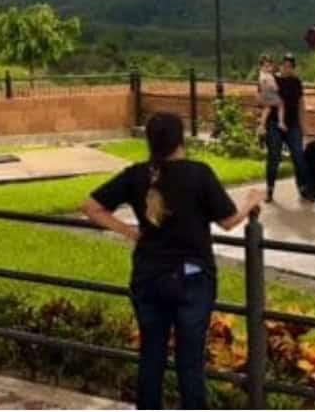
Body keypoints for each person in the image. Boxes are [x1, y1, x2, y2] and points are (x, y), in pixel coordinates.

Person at [82, 113, 263, 409]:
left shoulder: (136, 174)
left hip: (149, 277)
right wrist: (251, 201)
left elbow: (91, 207)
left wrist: (131, 232)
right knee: (189, 362)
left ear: (149, 140)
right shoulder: (198, 173)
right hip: (192, 278)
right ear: (181, 139)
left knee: (151, 356)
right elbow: (229, 221)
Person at [265, 53, 311, 202]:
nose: (287, 68)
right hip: (274, 124)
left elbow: (301, 105)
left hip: (292, 124)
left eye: (290, 66)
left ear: (293, 68)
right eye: (285, 65)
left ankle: (303, 188)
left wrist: (303, 126)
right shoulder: (273, 80)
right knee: (274, 156)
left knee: (298, 156)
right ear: (280, 66)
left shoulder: (296, 82)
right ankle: (270, 189)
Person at [255, 54, 285, 136]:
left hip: (265, 96)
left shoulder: (262, 75)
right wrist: (276, 88)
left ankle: (261, 126)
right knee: (280, 104)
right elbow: (274, 86)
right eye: (267, 66)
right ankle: (280, 122)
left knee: (267, 109)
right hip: (268, 95)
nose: (269, 68)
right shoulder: (267, 76)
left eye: (269, 66)